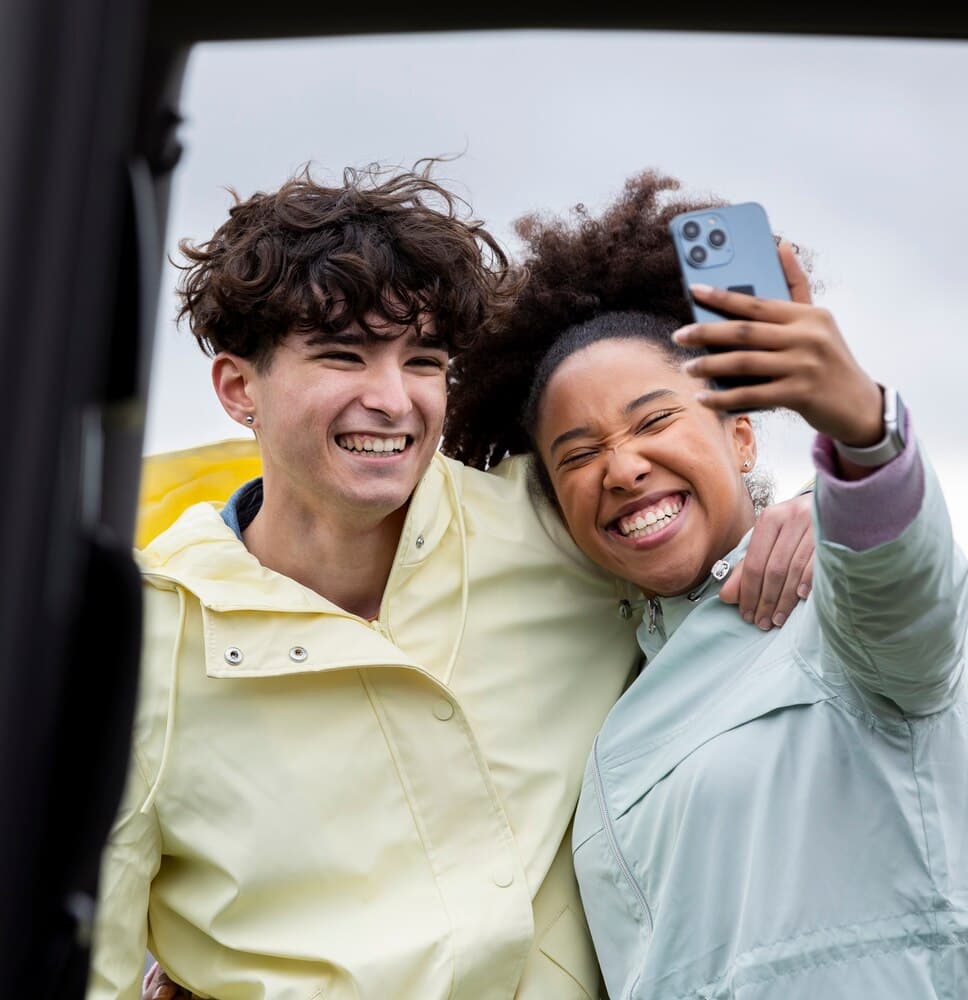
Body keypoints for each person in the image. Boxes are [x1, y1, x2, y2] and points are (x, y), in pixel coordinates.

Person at [89, 165, 814, 1000]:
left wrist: (818, 507)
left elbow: (694, 500)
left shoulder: (551, 531)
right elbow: (84, 957)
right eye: (342, 356)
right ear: (237, 388)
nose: (392, 400)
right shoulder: (139, 639)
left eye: (423, 360)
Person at [444, 172, 968, 997]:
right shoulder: (607, 701)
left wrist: (862, 437)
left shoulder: (830, 607)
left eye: (654, 420)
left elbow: (906, 598)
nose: (624, 465)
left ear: (741, 438)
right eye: (578, 454)